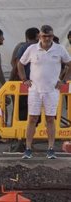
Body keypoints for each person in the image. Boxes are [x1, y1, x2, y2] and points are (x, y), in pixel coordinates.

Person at [18, 25, 71, 160]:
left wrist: (63, 81)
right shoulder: (32, 49)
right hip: (35, 90)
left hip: (52, 90)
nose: (47, 38)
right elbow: (20, 63)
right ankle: (28, 148)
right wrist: (24, 79)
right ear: (39, 36)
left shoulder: (59, 49)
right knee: (32, 119)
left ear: (53, 36)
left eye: (49, 36)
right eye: (44, 36)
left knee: (50, 119)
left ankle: (51, 148)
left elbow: (69, 63)